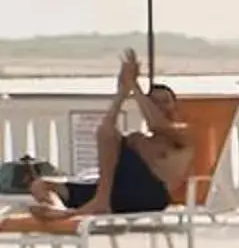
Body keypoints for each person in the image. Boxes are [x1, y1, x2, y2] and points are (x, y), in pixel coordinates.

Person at [28, 51, 194, 220]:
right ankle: (61, 211)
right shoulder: (138, 140)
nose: (159, 106)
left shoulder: (185, 136)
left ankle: (99, 202)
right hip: (116, 193)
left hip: (149, 196)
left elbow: (156, 124)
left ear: (175, 105)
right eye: (154, 102)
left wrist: (134, 85)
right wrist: (121, 94)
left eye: (165, 101)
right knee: (41, 185)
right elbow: (106, 130)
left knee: (111, 134)